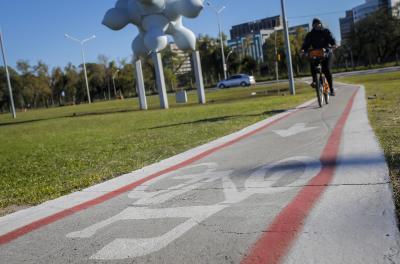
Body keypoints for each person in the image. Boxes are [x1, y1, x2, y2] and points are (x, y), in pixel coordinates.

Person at [301, 18, 336, 96]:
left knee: (326, 69)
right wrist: (303, 50)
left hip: (327, 53)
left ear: (321, 24)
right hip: (316, 53)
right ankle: (314, 81)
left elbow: (332, 40)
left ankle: (331, 89)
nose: (317, 26)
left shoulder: (326, 31)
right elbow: (305, 45)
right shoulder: (310, 35)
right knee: (312, 63)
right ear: (313, 25)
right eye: (315, 24)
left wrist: (333, 45)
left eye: (318, 24)